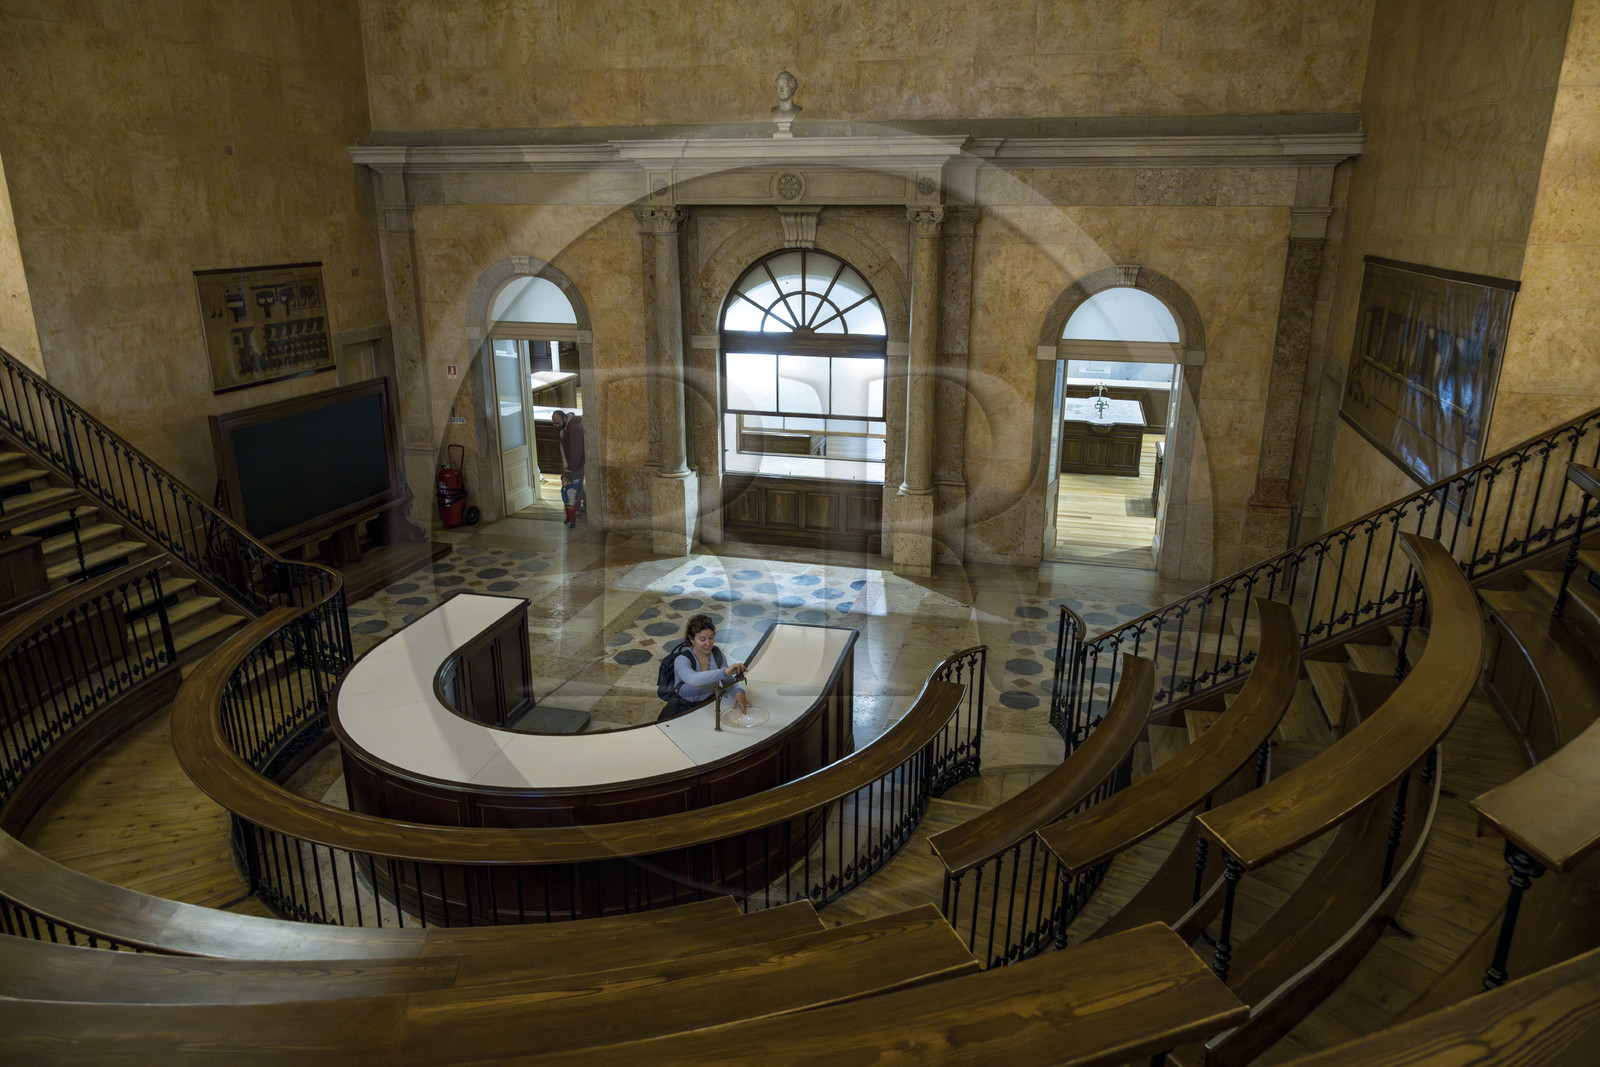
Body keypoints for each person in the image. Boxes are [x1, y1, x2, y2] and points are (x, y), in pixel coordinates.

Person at [658, 614, 749, 722]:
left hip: (709, 703)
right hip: (684, 707)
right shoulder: (682, 660)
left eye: (711, 638)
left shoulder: (716, 654)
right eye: (702, 639)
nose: (708, 643)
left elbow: (728, 681)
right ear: (692, 639)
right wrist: (724, 671)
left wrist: (739, 692)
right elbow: (693, 679)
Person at [551, 409, 584, 527]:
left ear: (564, 418)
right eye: (554, 423)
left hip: (575, 465)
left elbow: (576, 450)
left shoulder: (574, 427)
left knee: (573, 490)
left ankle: (572, 515)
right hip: (568, 464)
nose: (556, 426)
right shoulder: (563, 426)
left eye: (558, 423)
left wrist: (570, 467)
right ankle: (576, 510)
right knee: (574, 488)